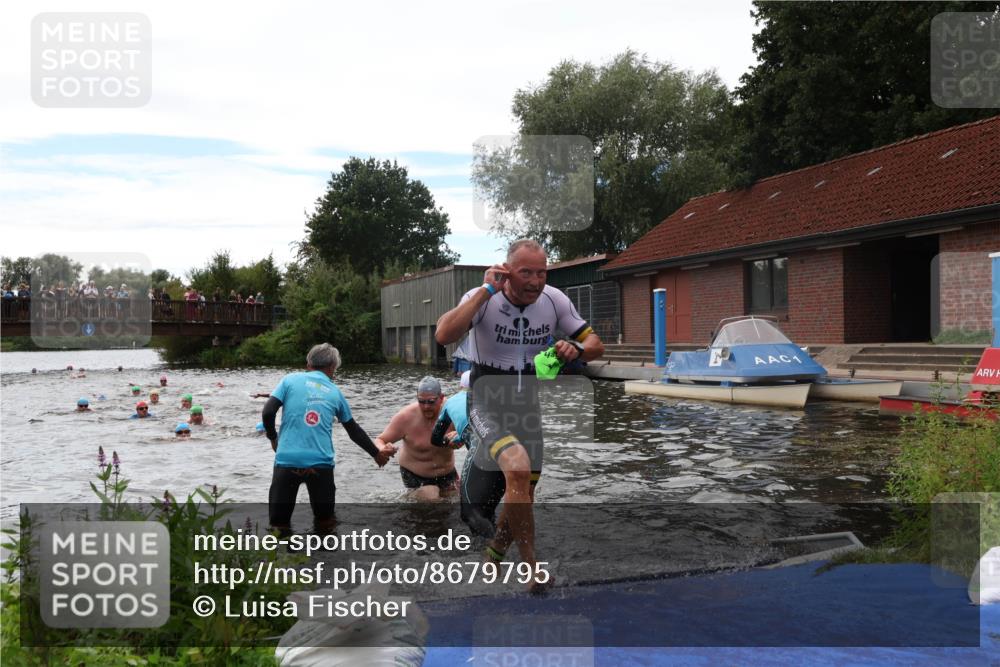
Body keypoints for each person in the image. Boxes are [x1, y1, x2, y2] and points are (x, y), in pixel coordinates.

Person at [435, 238, 604, 592]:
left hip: (527, 403)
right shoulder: (483, 297)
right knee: (517, 467)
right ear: (507, 270)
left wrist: (575, 347)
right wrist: (485, 291)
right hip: (486, 399)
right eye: (526, 272)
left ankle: (495, 555)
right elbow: (444, 334)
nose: (535, 281)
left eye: (542, 273)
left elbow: (596, 346)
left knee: (523, 492)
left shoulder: (555, 300)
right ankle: (532, 569)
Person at [261, 343, 394, 536]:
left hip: (287, 462)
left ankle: (283, 554)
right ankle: (324, 552)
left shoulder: (289, 381)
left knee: (278, 526)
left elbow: (268, 412)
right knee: (325, 524)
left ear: (308, 364)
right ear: (332, 368)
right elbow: (353, 430)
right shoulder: (335, 392)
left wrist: (273, 438)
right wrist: (376, 454)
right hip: (320, 465)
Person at [375, 377, 458, 502]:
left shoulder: (453, 411)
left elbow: (473, 433)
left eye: (431, 402)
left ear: (441, 398)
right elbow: (380, 439)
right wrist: (383, 449)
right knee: (432, 496)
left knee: (462, 500)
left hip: (447, 473)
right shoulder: (406, 417)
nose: (426, 407)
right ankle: (409, 496)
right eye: (421, 401)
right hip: (415, 475)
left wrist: (460, 436)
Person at [431, 370, 471, 449]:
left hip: (474, 438)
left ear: (460, 387)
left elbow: (435, 439)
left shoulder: (449, 402)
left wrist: (450, 440)